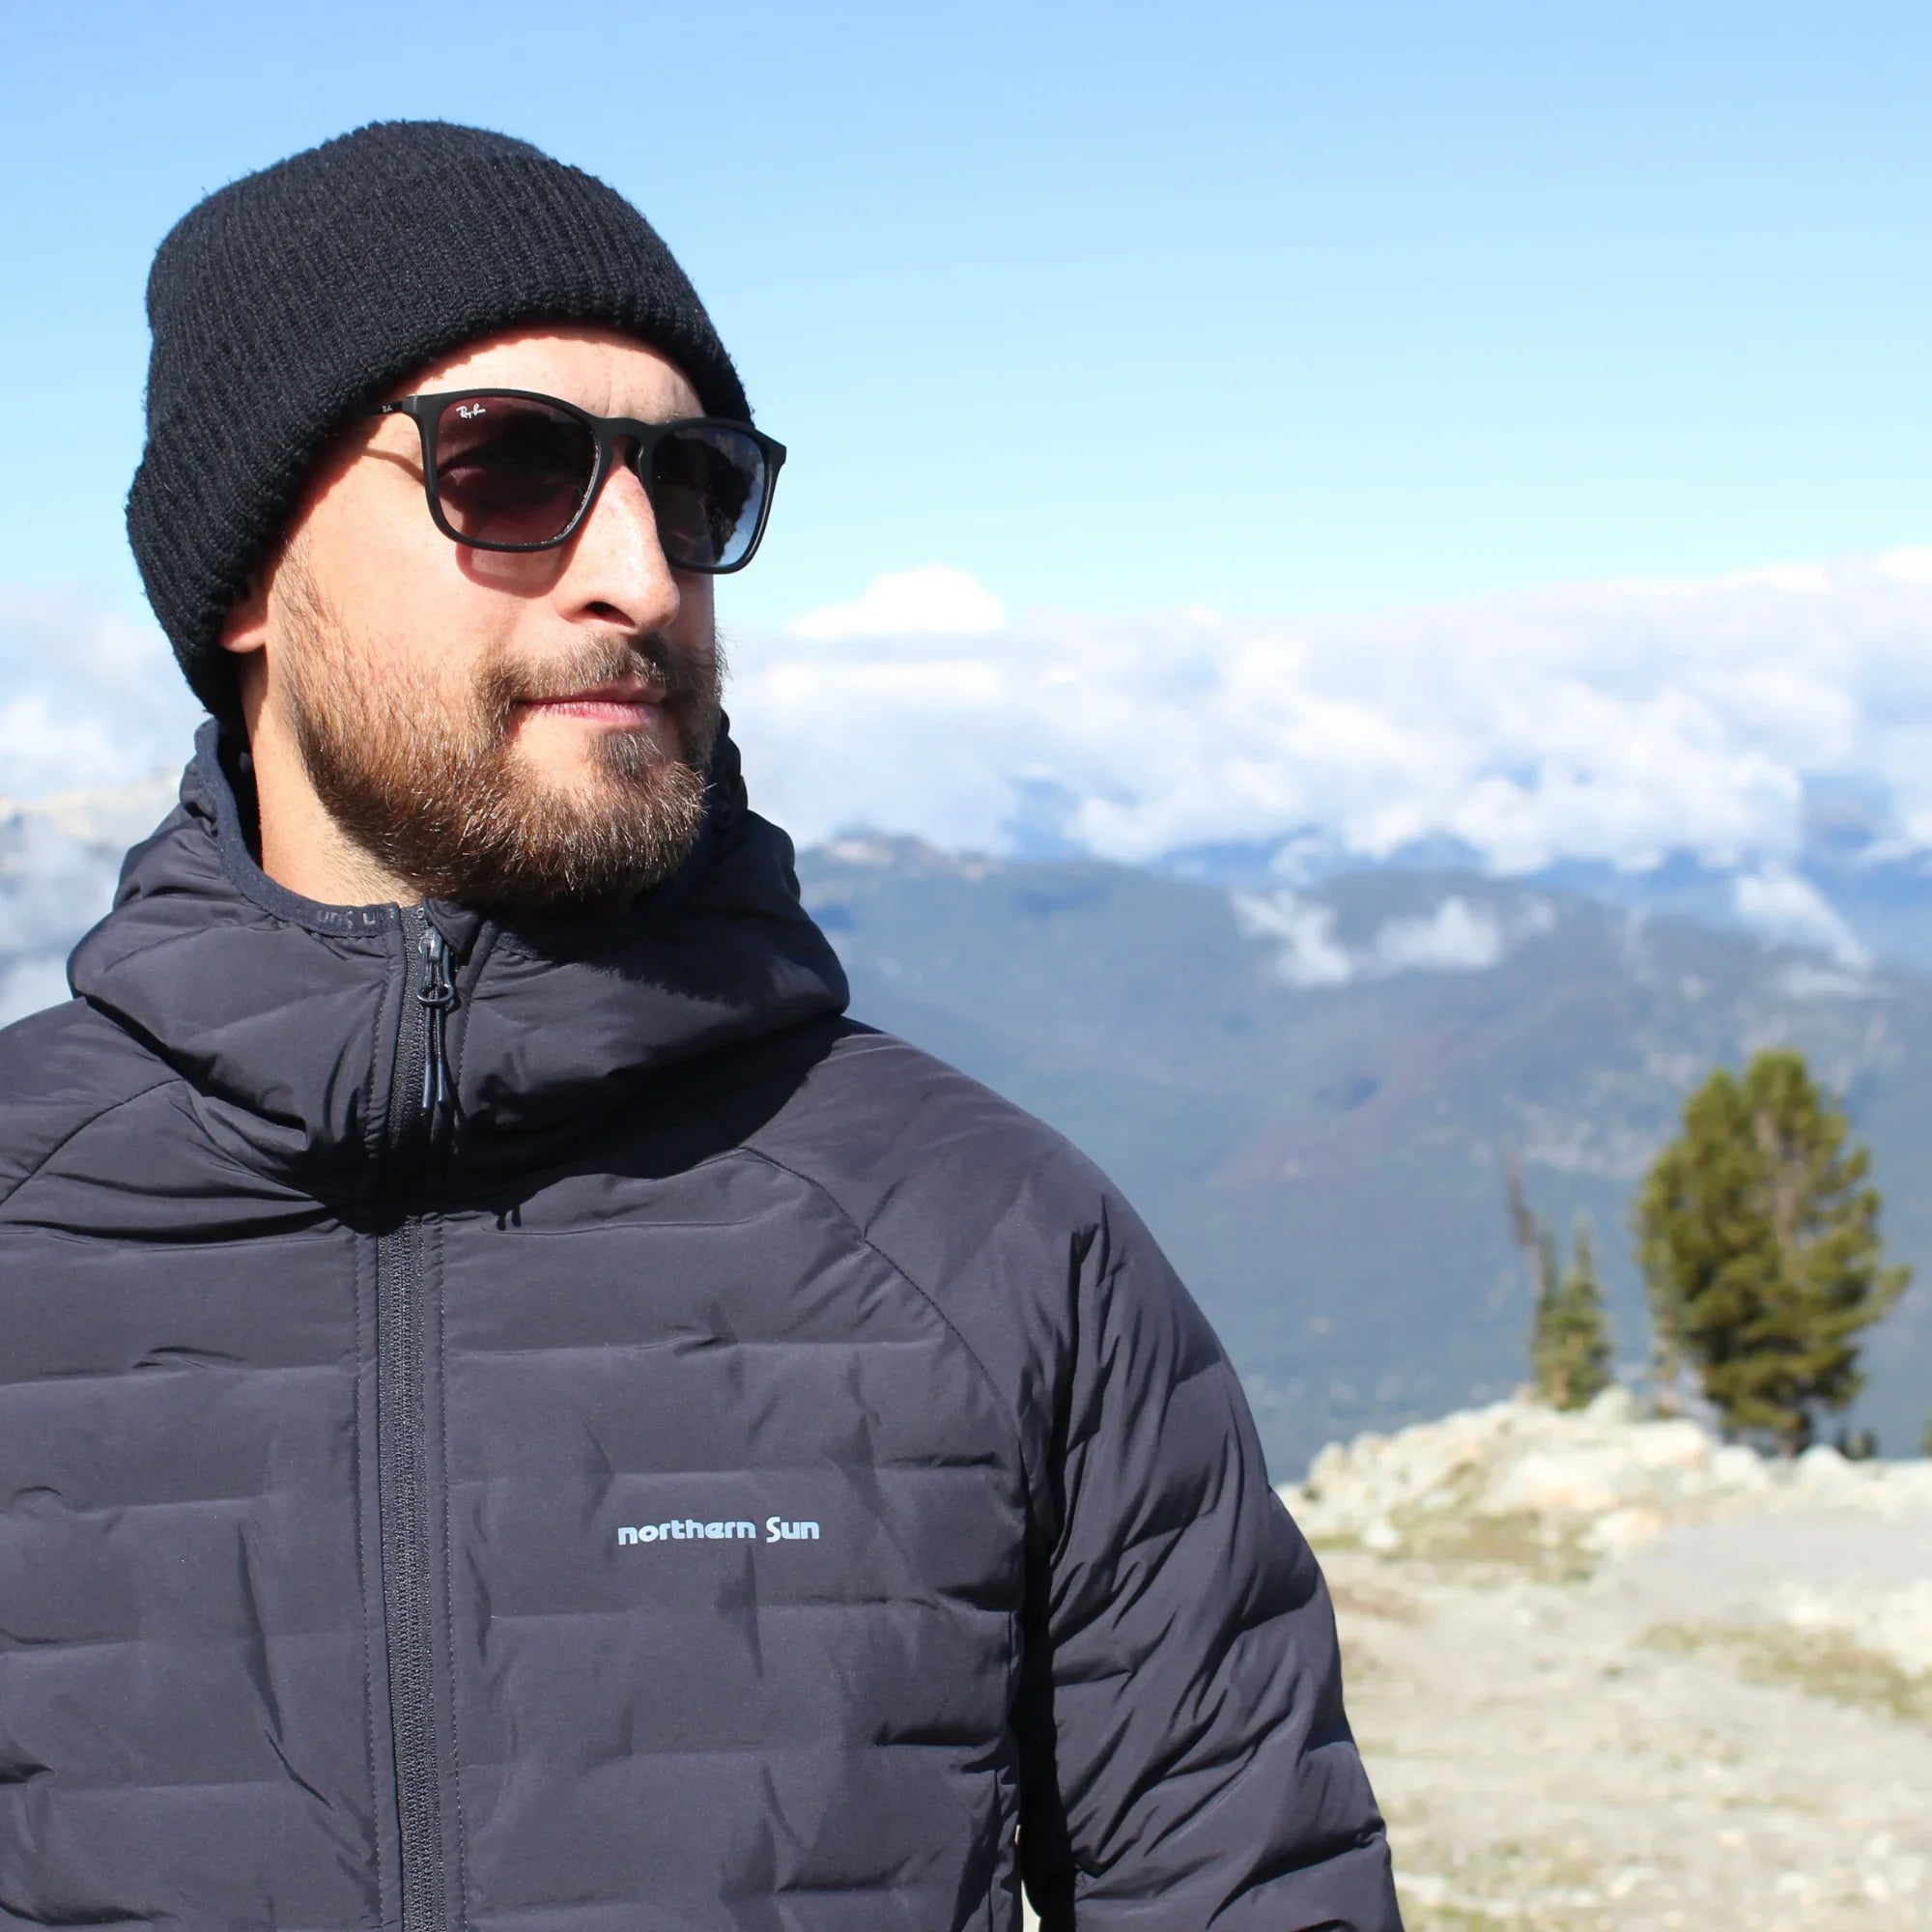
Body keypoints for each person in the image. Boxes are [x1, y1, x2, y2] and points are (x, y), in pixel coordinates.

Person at [0, 122, 1400, 1931]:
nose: (641, 575)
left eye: (690, 487)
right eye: (509, 468)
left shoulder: (995, 1248)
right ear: (249, 580)